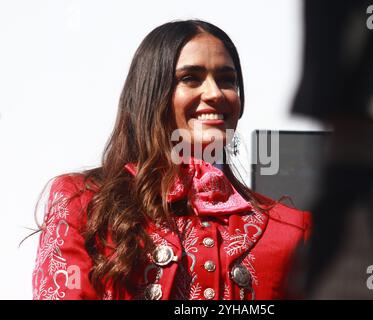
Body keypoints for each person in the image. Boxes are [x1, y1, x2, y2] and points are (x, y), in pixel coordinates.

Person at [32, 19, 312, 300]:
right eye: (191, 78)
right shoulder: (83, 203)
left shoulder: (290, 229)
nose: (215, 93)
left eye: (227, 80)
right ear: (152, 94)